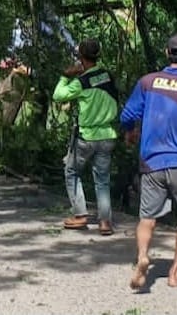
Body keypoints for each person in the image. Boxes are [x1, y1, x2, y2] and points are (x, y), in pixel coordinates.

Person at [120, 33, 177, 291]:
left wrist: (130, 132)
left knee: (147, 217)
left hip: (152, 162)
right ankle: (175, 274)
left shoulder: (148, 82)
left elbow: (127, 114)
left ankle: (142, 258)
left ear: (166, 52)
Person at [54, 38, 119, 236]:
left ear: (81, 57)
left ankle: (80, 215)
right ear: (97, 55)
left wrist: (66, 76)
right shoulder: (108, 76)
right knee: (102, 180)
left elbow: (58, 95)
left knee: (71, 172)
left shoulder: (80, 82)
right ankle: (105, 221)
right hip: (108, 135)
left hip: (87, 136)